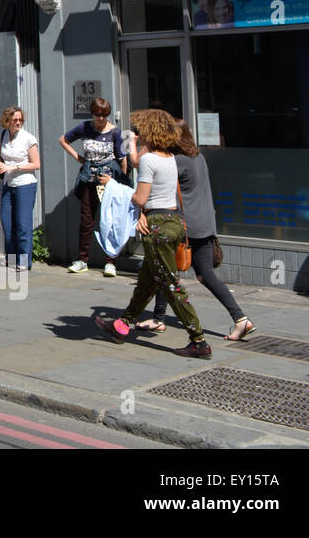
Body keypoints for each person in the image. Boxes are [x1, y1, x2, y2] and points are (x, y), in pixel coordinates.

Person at [95, 110, 211, 359]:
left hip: (156, 226)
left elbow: (140, 198)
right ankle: (123, 325)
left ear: (151, 131)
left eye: (142, 129)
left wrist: (113, 187)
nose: (139, 132)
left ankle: (198, 340)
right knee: (148, 280)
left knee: (170, 284)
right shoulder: (169, 157)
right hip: (173, 221)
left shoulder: (149, 161)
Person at [137, 119, 255, 342]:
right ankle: (240, 319)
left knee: (166, 270)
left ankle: (160, 319)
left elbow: (148, 179)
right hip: (205, 222)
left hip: (185, 225)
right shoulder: (198, 157)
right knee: (202, 274)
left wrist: (145, 146)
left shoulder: (176, 161)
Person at [59, 97, 127, 274]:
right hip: (89, 179)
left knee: (109, 220)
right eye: (98, 115)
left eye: (104, 115)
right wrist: (80, 159)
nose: (101, 119)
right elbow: (63, 140)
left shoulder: (115, 132)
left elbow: (122, 159)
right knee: (86, 220)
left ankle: (111, 261)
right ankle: (82, 260)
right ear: (93, 114)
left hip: (107, 180)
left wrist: (121, 181)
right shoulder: (85, 127)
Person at [0, 106, 40, 270]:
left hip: (25, 184)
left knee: (22, 225)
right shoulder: (2, 135)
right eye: (15, 120)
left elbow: (36, 164)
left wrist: (13, 168)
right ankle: (11, 259)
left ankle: (24, 262)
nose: (18, 123)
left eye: (20, 120)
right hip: (9, 184)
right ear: (7, 120)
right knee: (7, 223)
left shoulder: (28, 138)